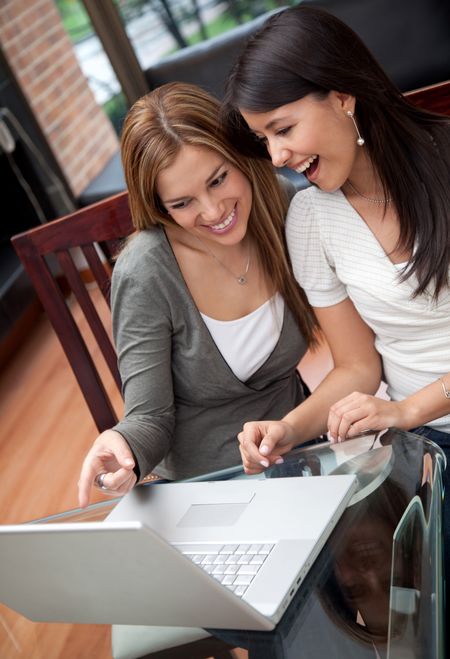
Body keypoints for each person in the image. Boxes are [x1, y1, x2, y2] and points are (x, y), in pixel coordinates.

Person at [78, 82, 380, 508]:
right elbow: (150, 417)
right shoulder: (146, 271)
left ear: (240, 154)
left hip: (302, 457)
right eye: (183, 203)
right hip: (206, 491)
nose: (213, 211)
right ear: (159, 207)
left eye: (218, 179)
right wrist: (120, 444)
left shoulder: (285, 205)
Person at [221, 5, 450, 477]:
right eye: (264, 139)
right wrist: (290, 427)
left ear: (343, 96)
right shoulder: (310, 220)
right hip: (433, 445)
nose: (278, 155)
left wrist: (408, 411)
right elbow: (356, 366)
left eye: (283, 129)